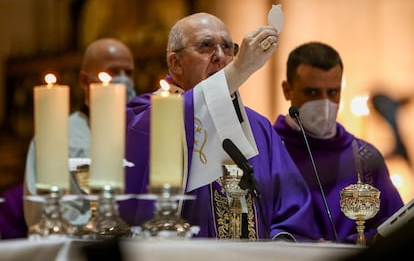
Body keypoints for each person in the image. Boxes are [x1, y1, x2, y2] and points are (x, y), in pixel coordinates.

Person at [120, 12, 320, 241]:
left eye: (228, 48)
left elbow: (293, 210)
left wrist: (280, 246)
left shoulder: (259, 128)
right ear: (175, 63)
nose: (220, 56)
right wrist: (239, 70)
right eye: (206, 46)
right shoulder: (147, 117)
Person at [273, 41, 404, 244]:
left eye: (332, 92)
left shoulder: (365, 157)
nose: (325, 103)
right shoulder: (268, 150)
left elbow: (396, 226)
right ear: (287, 90)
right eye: (312, 93)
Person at [23, 38, 136, 231]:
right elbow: (39, 210)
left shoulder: (141, 131)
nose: (123, 80)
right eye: (113, 72)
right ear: (84, 80)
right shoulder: (57, 134)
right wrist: (100, 221)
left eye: (129, 73)